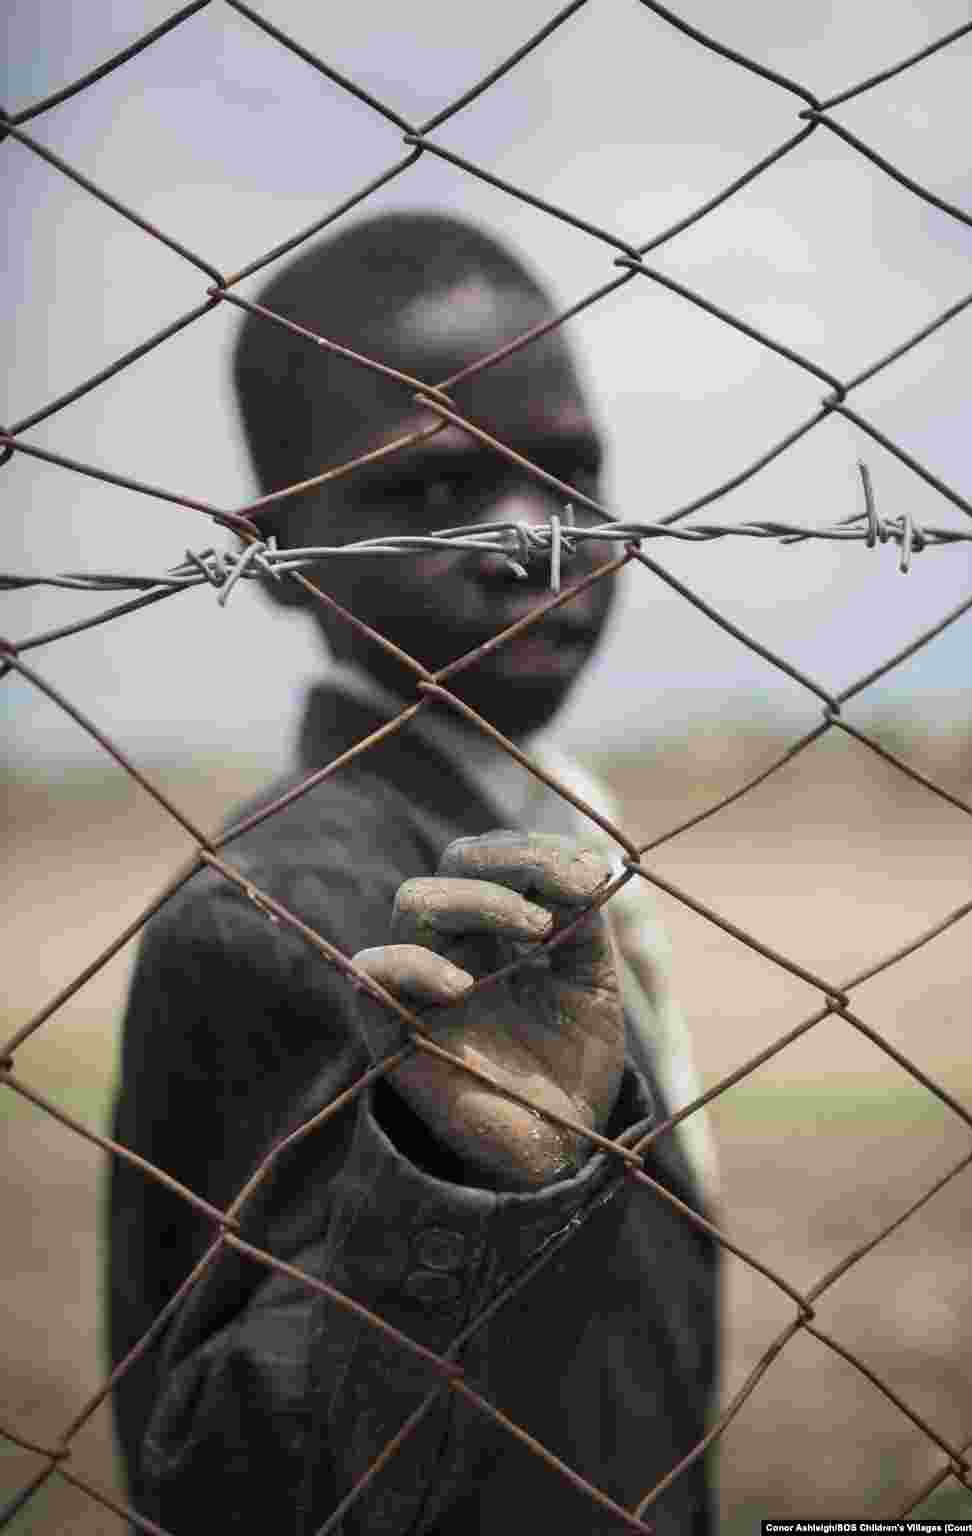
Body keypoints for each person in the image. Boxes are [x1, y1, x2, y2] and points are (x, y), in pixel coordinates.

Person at [106, 211, 719, 1534]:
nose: (533, 543)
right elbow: (226, 1475)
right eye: (430, 493)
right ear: (276, 553)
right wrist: (464, 1191)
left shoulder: (546, 826)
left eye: (566, 473)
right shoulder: (285, 919)